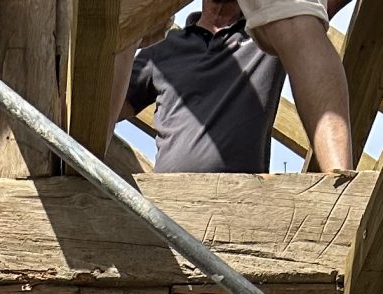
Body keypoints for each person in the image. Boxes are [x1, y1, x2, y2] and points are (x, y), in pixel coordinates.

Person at [112, 0, 353, 176]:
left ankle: (343, 186)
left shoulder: (268, 31)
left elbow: (312, 11)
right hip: (168, 201)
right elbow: (108, 105)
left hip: (240, 202)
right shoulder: (164, 48)